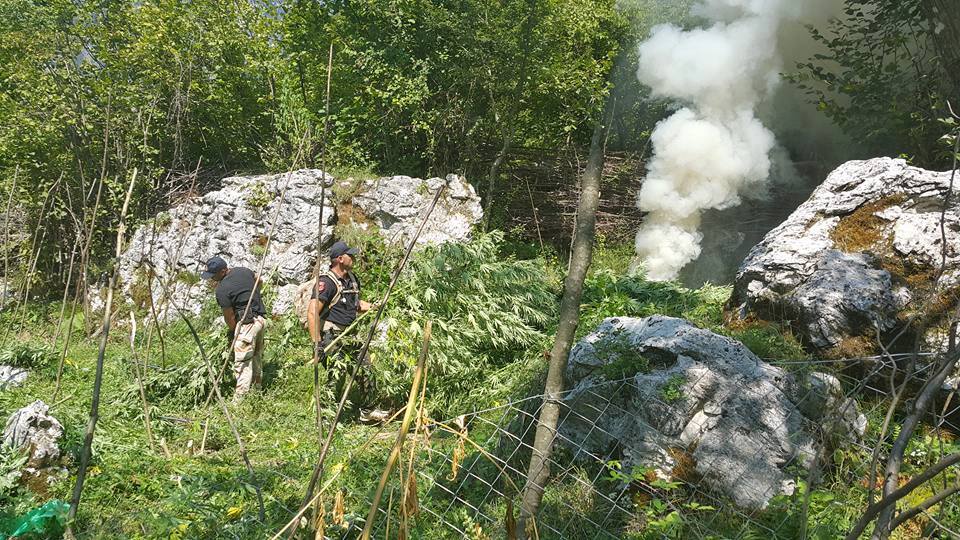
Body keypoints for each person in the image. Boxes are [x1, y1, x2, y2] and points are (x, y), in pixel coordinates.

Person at [307, 241, 384, 420]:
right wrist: (317, 344)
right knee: (337, 375)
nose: (354, 258)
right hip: (332, 335)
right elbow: (312, 312)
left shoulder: (352, 279)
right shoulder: (326, 282)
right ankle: (326, 417)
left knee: (366, 370)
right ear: (340, 259)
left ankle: (367, 411)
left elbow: (356, 305)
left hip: (350, 335)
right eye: (351, 255)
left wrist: (374, 306)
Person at [201, 256, 267, 400]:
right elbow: (259, 280)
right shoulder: (243, 270)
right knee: (256, 356)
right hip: (260, 320)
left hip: (247, 325)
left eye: (213, 275)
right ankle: (257, 391)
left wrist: (233, 333)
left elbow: (230, 317)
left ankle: (240, 401)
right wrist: (253, 295)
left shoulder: (222, 290)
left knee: (242, 362)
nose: (211, 278)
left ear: (223, 271)